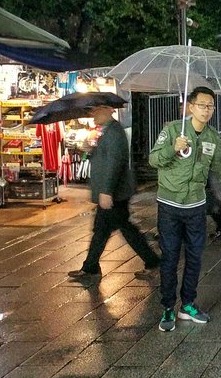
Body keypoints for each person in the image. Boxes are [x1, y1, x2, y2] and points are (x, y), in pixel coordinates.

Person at [149, 86, 221, 332]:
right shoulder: (173, 130)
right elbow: (153, 160)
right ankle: (168, 307)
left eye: (210, 106)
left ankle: (187, 304)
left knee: (195, 257)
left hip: (196, 205)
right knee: (170, 257)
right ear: (191, 106)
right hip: (170, 205)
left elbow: (218, 167)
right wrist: (173, 148)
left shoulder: (212, 137)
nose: (206, 110)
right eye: (202, 105)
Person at [68, 104, 160, 280]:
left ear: (108, 110)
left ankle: (152, 261)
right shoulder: (107, 131)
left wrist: (106, 191)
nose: (93, 114)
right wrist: (91, 149)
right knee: (102, 230)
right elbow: (105, 158)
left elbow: (114, 163)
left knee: (125, 229)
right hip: (111, 192)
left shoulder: (114, 132)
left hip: (114, 193)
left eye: (96, 110)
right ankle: (90, 266)